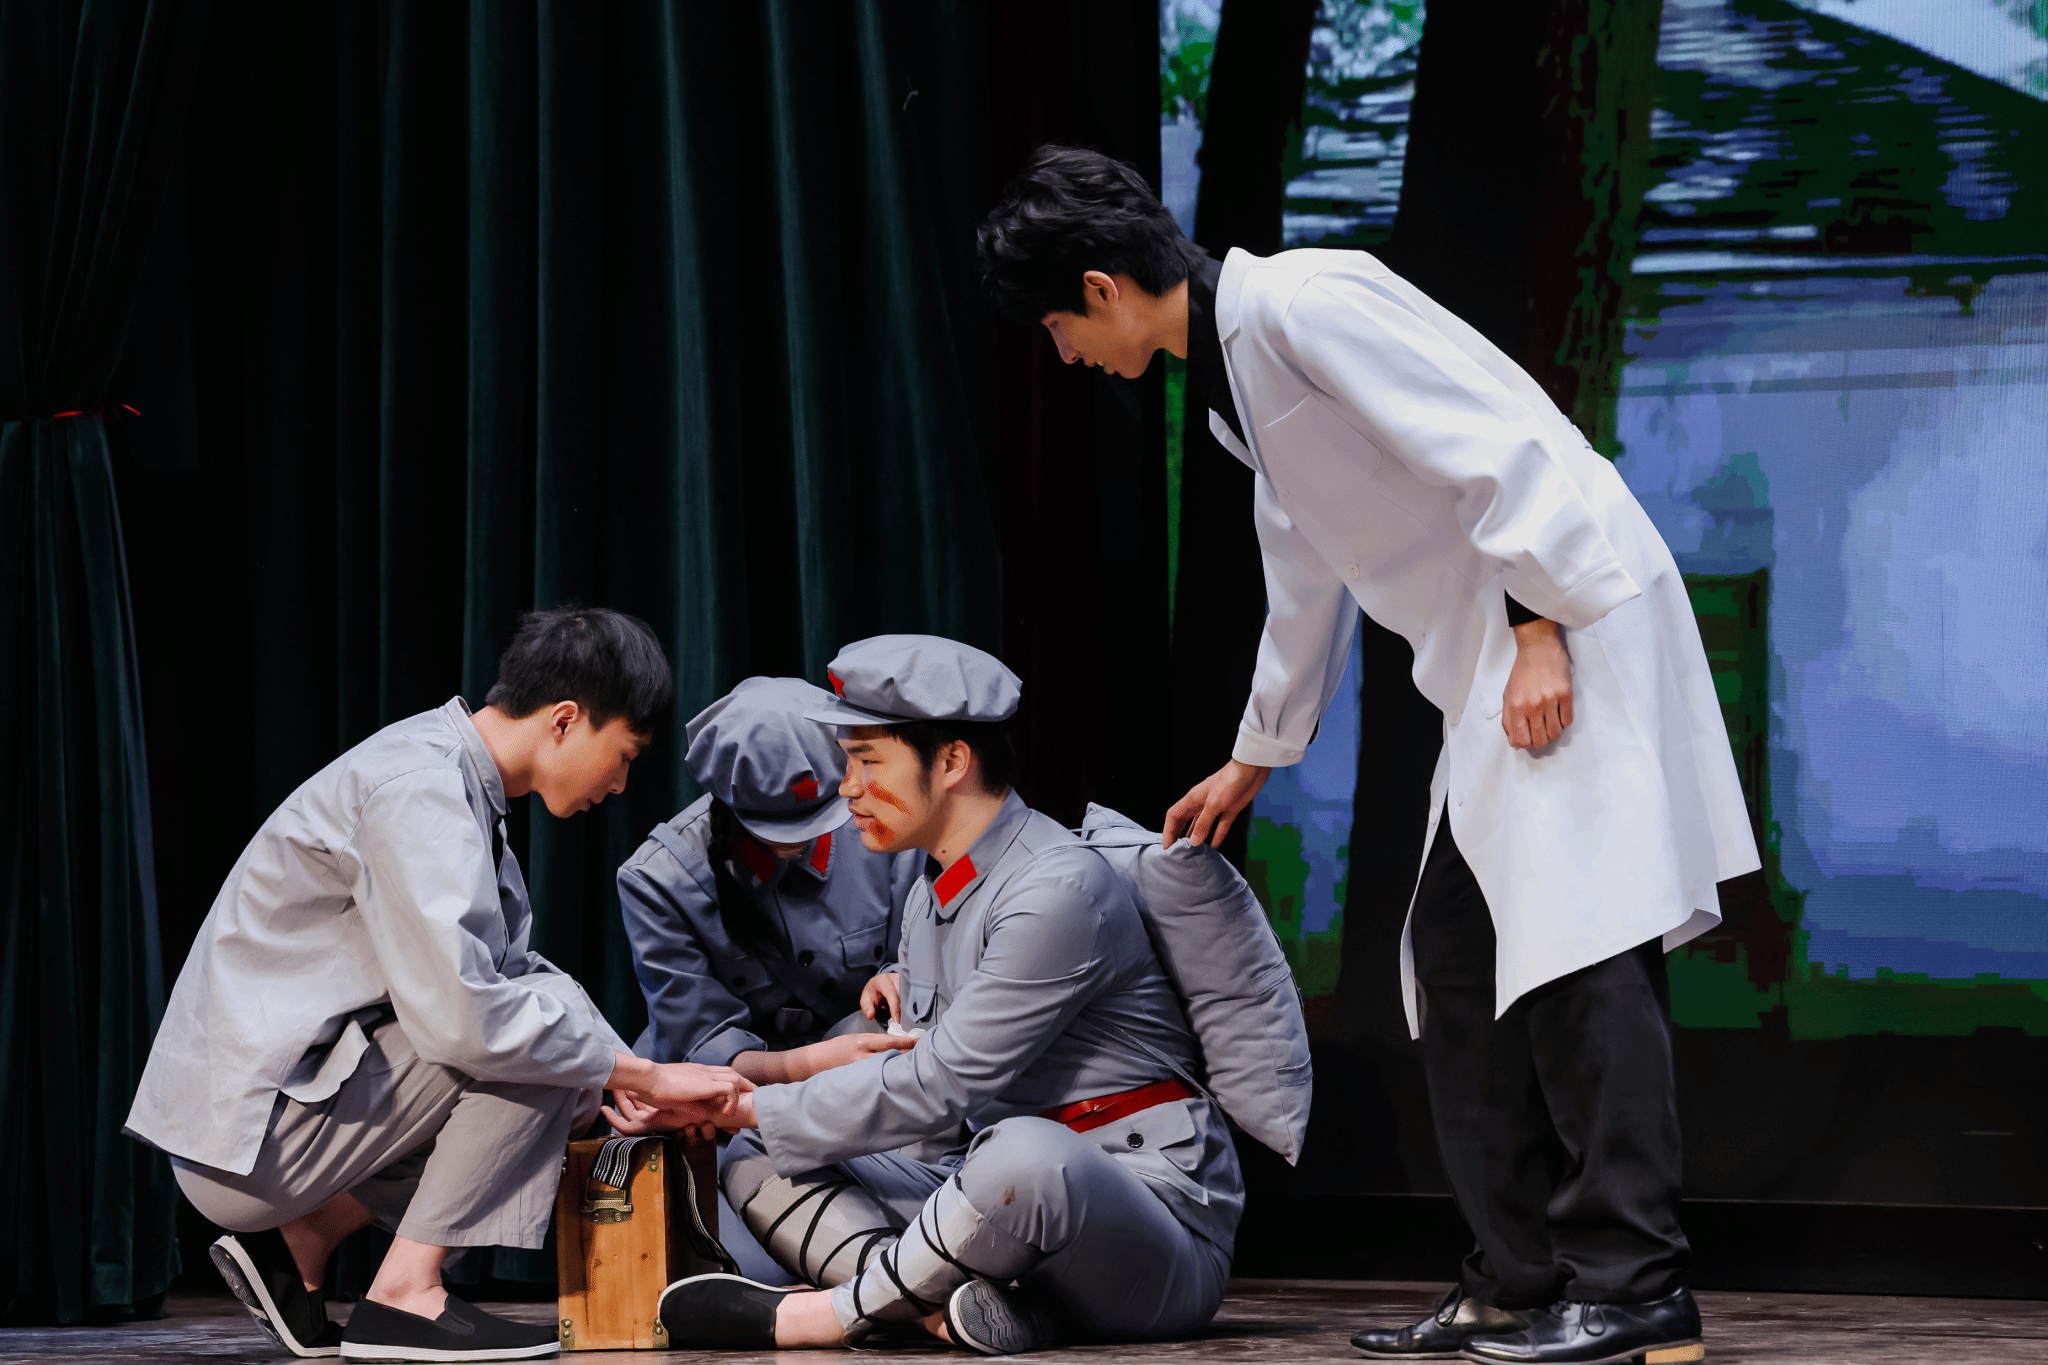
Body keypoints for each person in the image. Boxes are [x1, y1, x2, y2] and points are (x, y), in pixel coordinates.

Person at [977, 147, 1758, 1365]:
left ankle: (1633, 1288)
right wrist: (1256, 754)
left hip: (1564, 617)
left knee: (1581, 950)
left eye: (1055, 328)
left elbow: (1500, 437)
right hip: (1503, 648)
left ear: (1099, 288)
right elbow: (1304, 572)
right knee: (1458, 956)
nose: (1065, 354)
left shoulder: (1303, 301)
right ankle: (1517, 1279)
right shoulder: (1239, 373)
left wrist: (1537, 622)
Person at [124, 607, 750, 1363]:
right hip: (250, 1136)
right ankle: (404, 1297)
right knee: (539, 1055)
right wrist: (642, 1074)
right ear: (564, 721)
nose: (619, 784)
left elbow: (514, 977)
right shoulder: (420, 789)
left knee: (570, 1061)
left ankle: (307, 1238)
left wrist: (630, 1080)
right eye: (623, 756)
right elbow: (470, 1018)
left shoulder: (452, 779)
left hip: (272, 1117)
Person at [613, 634, 1244, 1356]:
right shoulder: (931, 893)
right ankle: (940, 1311)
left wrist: (742, 1101)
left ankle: (827, 1315)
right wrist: (751, 1113)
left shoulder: (1056, 887)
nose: (847, 788)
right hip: (984, 1197)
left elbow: (943, 1084)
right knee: (761, 1152)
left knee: (1025, 1154)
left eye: (867, 762)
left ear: (950, 762)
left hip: (1145, 1212)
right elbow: (919, 1089)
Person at [617, 675, 926, 1274]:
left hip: (866, 1088)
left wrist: (898, 974)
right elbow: (702, 1044)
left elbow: (927, 944)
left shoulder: (888, 828)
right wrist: (809, 1064)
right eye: (779, 832)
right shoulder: (659, 878)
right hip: (720, 1106)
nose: (802, 843)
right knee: (746, 1272)